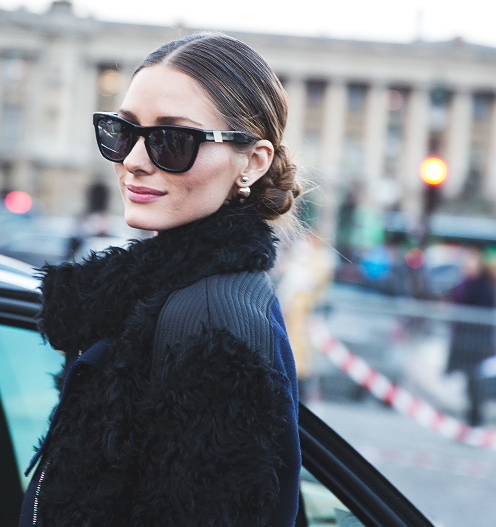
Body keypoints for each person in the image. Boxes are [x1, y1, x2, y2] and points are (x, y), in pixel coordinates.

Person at [18, 32, 303, 527]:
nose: (132, 161)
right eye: (121, 132)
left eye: (173, 141)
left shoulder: (210, 327)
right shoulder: (180, 294)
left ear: (252, 163)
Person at [445, 246, 496, 426]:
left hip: (476, 340)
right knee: (470, 378)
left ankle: (475, 414)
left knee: (475, 378)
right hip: (465, 339)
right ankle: (472, 413)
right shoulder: (467, 282)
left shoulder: (481, 286)